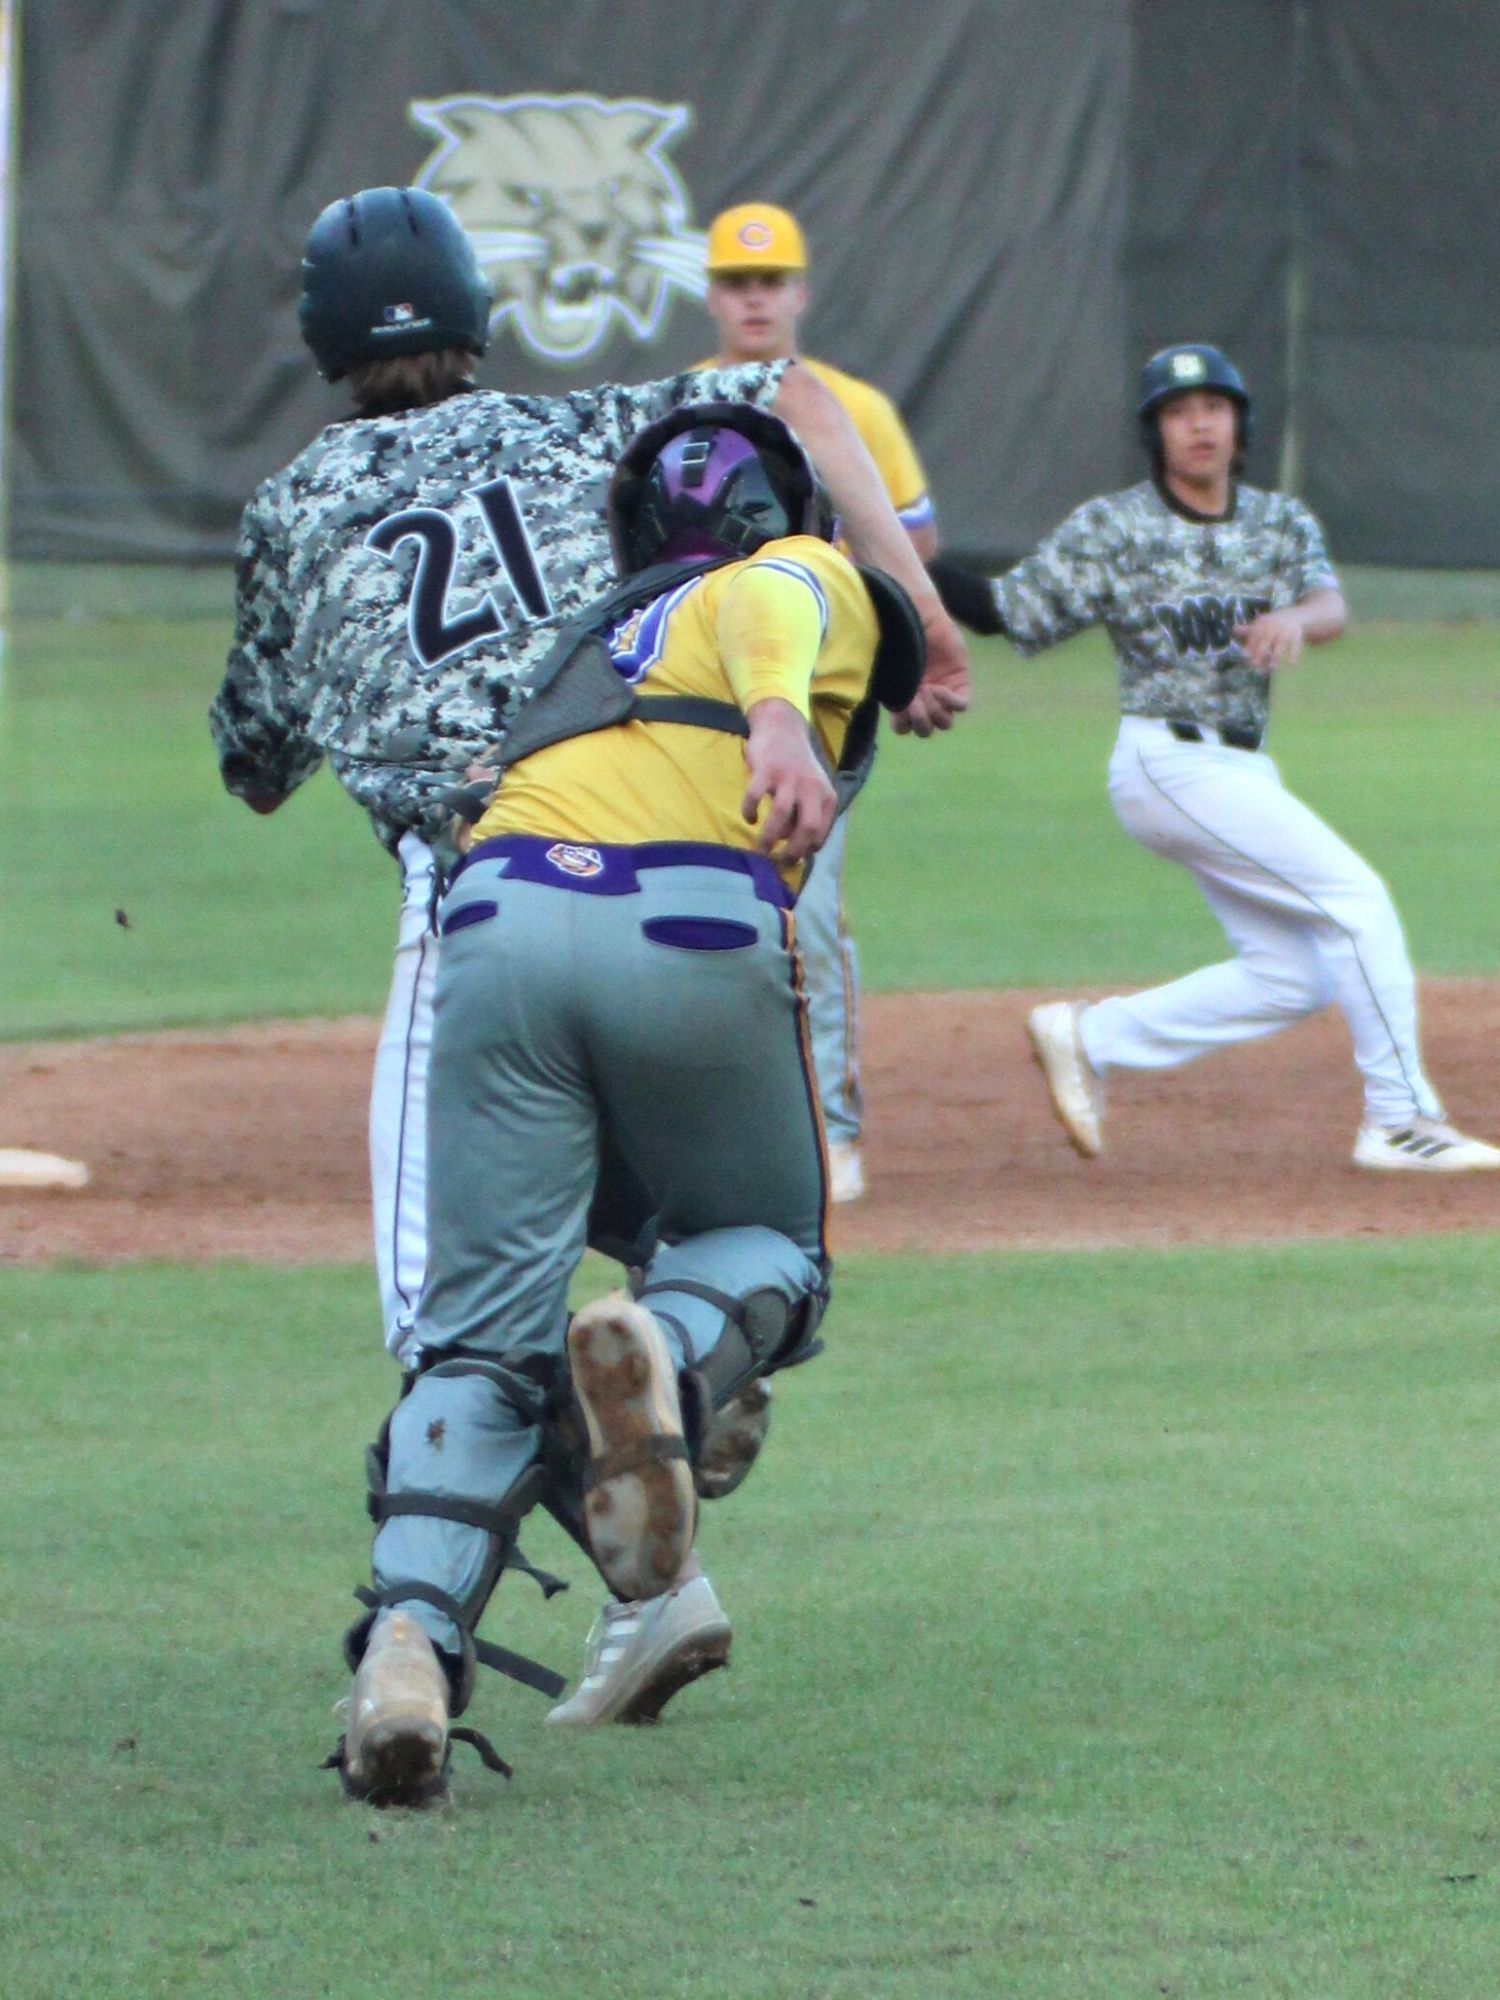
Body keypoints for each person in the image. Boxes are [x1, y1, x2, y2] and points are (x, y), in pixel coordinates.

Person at [209, 188, 970, 1745]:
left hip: (481, 902)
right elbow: (801, 403)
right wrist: (928, 623)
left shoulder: (294, 503)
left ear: (321, 345)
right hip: (682, 863)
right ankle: (671, 1492)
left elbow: (256, 763)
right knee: (729, 1233)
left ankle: (419, 1643)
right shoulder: (588, 424)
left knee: (461, 1335)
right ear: (483, 314)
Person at [335, 401, 932, 1803]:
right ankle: (658, 1357)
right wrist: (780, 714)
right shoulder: (789, 574)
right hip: (683, 926)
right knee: (763, 1244)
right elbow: (784, 593)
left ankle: (407, 1651)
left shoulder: (581, 650)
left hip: (491, 933)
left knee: (476, 1350)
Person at [931, 342, 1500, 1172]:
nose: (1198, 423)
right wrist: (900, 565)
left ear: (1239, 423)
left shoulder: (1277, 521)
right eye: (1176, 411)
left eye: (1213, 407)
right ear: (1155, 433)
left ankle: (1090, 1035)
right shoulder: (1117, 527)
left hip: (1240, 770)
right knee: (1356, 900)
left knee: (1292, 977)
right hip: (1167, 761)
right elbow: (1001, 610)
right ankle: (1400, 1118)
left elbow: (1329, 601)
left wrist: (1297, 622)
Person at [701, 201, 939, 1203]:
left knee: (811, 905)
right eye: (738, 283)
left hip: (823, 696)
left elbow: (914, 540)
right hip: (705, 693)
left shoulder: (853, 407)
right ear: (713, 295)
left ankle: (830, 1129)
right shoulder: (677, 403)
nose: (756, 299)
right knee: (701, 906)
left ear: (800, 291)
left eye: (772, 281)